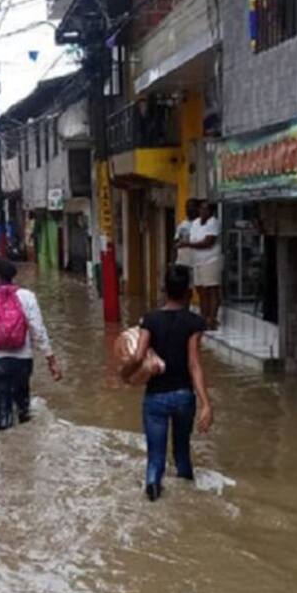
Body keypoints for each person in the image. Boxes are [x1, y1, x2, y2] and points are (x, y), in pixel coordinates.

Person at [120, 264, 214, 502]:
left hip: (156, 398)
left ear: (164, 290)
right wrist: (206, 404)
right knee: (182, 453)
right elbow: (195, 364)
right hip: (184, 396)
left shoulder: (150, 320)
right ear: (189, 292)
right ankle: (189, 500)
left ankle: (152, 488)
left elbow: (139, 356)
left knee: (155, 457)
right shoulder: (194, 322)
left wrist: (124, 374)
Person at [0, 260, 62, 431]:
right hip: (22, 361)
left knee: (3, 410)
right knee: (24, 409)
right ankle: (25, 449)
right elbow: (38, 330)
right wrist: (51, 360)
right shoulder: (27, 296)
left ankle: (5, 448)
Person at [183, 200, 222, 330]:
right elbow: (191, 239)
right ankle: (204, 316)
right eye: (201, 209)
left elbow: (208, 242)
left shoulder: (213, 223)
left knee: (212, 289)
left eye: (206, 209)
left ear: (211, 211)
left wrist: (188, 244)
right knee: (201, 290)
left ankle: (212, 318)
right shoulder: (195, 223)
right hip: (197, 261)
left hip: (211, 260)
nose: (202, 211)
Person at [174, 199, 199, 268]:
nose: (190, 209)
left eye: (192, 206)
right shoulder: (182, 226)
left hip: (198, 264)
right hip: (182, 263)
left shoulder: (203, 225)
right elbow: (176, 244)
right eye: (187, 207)